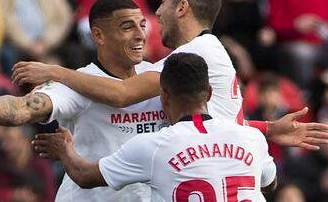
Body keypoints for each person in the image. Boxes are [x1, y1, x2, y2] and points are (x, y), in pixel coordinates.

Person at [12, 0, 328, 150]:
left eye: (163, 1)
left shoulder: (193, 56)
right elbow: (217, 123)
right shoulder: (209, 50)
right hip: (230, 165)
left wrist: (55, 71)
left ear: (181, 8)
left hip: (212, 170)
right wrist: (268, 129)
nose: (157, 13)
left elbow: (122, 95)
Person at [0, 0, 168, 201]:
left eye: (142, 25)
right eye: (127, 27)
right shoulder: (75, 85)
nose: (141, 34)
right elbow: (24, 108)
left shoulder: (158, 77)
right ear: (99, 36)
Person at [32, 53, 278, 201]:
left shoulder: (155, 145)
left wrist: (64, 151)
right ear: (210, 93)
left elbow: (84, 176)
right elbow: (269, 183)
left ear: (164, 96)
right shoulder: (250, 138)